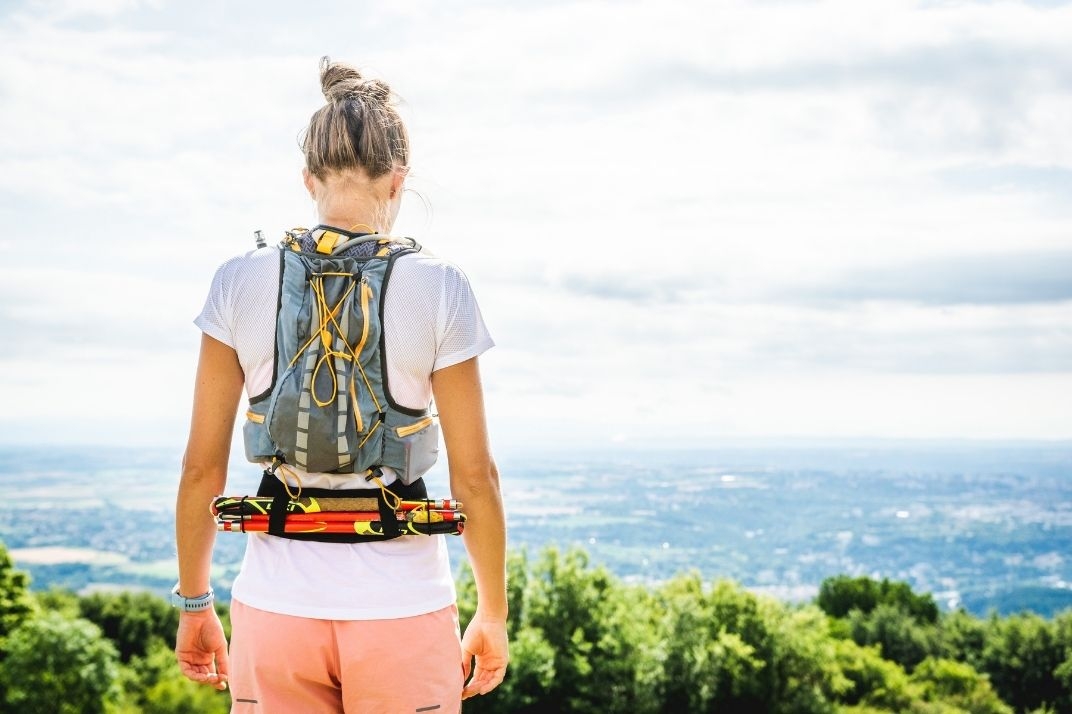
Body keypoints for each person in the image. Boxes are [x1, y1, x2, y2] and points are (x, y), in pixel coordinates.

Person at [174, 56, 508, 713]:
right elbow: (476, 479)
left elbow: (199, 470)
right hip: (403, 606)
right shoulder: (440, 287)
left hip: (275, 607)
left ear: (308, 179)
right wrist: (492, 614)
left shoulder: (238, 281)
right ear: (399, 179)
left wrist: (194, 604)